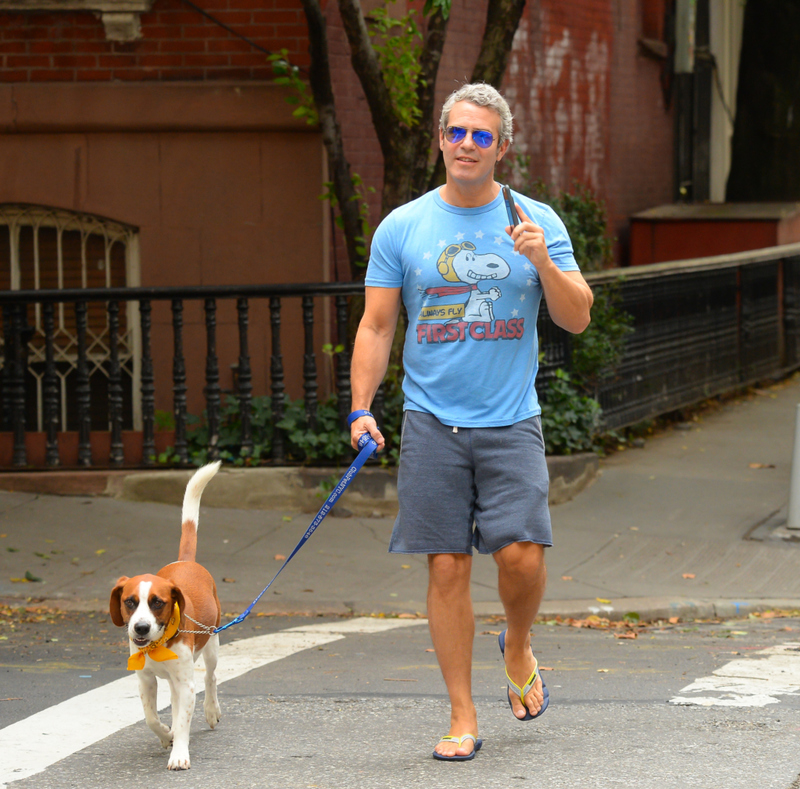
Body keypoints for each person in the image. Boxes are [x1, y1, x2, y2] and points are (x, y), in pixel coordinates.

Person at [347, 82, 593, 761]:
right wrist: (361, 407)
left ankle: (517, 643)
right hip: (432, 422)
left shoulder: (534, 220)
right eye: (455, 132)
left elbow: (578, 316)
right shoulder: (404, 226)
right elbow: (375, 324)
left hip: (511, 419)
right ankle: (462, 713)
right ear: (441, 140)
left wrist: (541, 260)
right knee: (447, 567)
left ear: (502, 148)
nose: (465, 144)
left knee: (521, 555)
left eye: (480, 135)